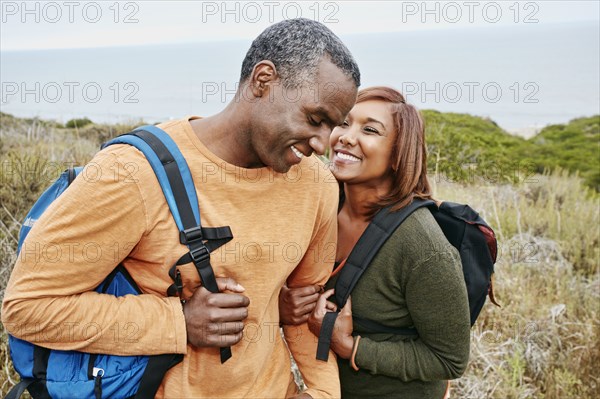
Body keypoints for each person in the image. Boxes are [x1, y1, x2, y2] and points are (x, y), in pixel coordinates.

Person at [2, 19, 360, 398]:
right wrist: (179, 322)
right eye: (315, 119)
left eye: (333, 126)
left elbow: (307, 303)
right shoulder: (131, 173)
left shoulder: (317, 185)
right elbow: (28, 308)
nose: (323, 145)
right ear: (263, 80)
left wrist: (322, 392)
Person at [279, 87, 471, 398]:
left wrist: (349, 346)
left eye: (370, 130)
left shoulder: (423, 246)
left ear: (398, 154)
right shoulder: (318, 209)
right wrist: (282, 305)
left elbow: (450, 359)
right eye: (343, 122)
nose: (346, 137)